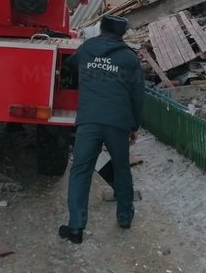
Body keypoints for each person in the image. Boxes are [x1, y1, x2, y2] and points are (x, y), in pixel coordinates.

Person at [59, 15, 145, 245]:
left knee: (80, 170)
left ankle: (76, 227)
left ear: (101, 29)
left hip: (89, 120)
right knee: (121, 167)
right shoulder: (129, 58)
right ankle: (125, 217)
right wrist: (133, 125)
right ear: (122, 34)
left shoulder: (87, 48)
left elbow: (68, 65)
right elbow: (137, 95)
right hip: (118, 122)